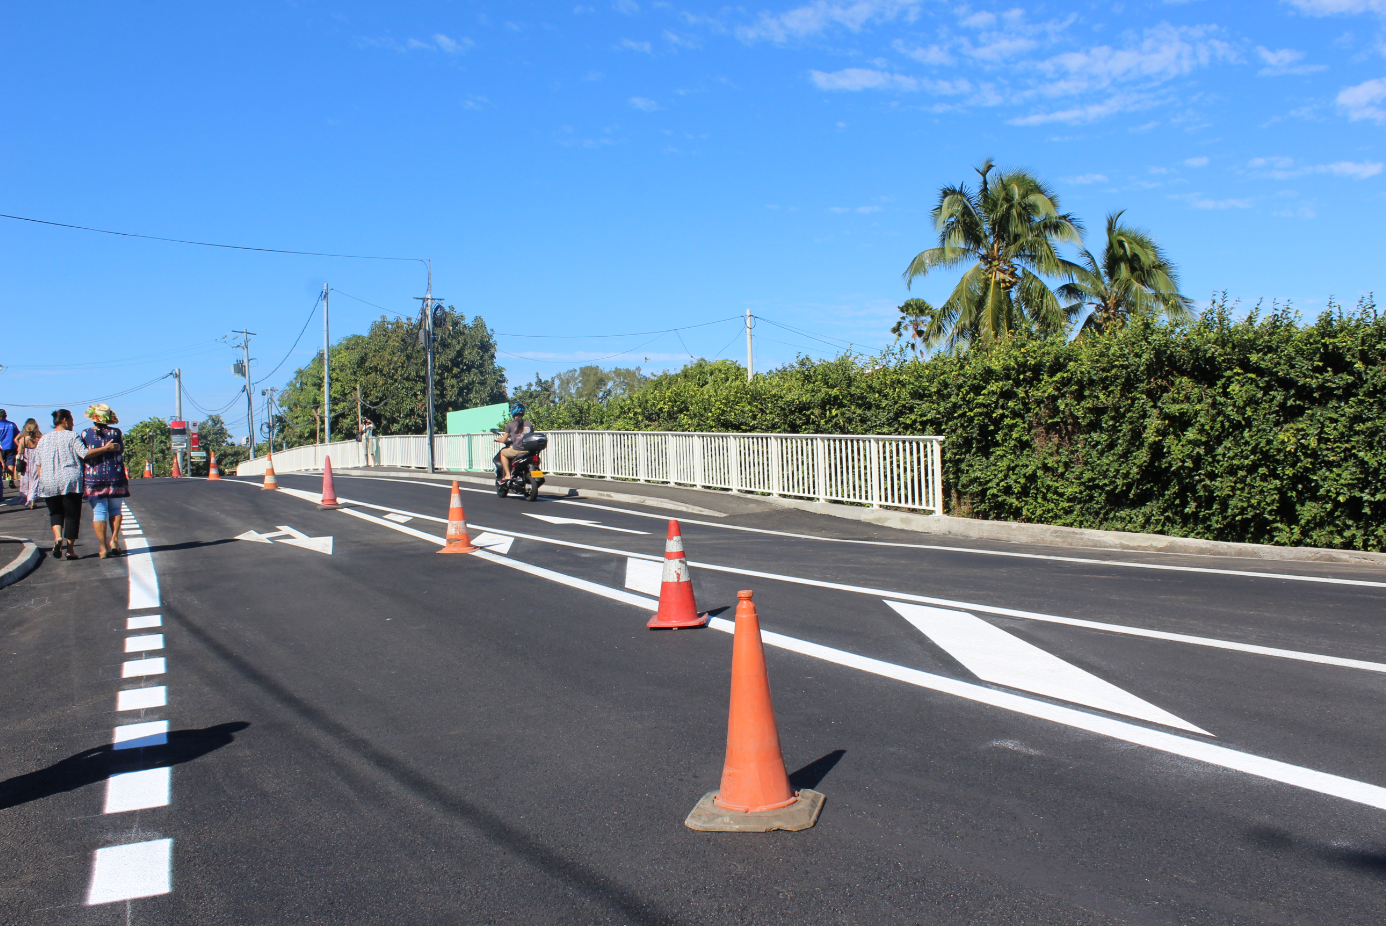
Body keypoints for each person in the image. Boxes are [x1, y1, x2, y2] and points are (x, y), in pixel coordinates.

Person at [31, 408, 120, 560]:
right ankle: (70, 550)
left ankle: (58, 537)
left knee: (56, 513)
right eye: (71, 420)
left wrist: (43, 479)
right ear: (65, 420)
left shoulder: (43, 439)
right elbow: (84, 453)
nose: (73, 423)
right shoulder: (72, 436)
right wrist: (105, 448)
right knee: (72, 516)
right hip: (70, 480)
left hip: (48, 481)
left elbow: (38, 463)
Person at [81, 404, 129, 558]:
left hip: (93, 477)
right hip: (115, 475)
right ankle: (114, 539)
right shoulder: (116, 433)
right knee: (115, 509)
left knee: (99, 511)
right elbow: (120, 449)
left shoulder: (85, 434)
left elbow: (83, 454)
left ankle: (102, 546)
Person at [495, 403, 534, 482]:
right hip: (528, 450)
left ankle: (507, 475)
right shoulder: (529, 424)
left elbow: (504, 440)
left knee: (503, 452)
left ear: (513, 412)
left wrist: (497, 439)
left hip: (517, 450)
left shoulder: (510, 424)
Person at [17, 418, 42, 508]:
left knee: (26, 481)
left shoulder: (23, 439)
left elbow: (19, 452)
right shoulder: (39, 439)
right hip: (36, 461)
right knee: (35, 481)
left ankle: (25, 498)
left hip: (26, 462)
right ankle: (32, 499)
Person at [0, 409, 17, 492]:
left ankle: (1, 483)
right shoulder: (12, 424)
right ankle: (11, 480)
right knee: (10, 463)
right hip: (11, 446)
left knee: (0, 464)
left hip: (1, 447)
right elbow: (18, 434)